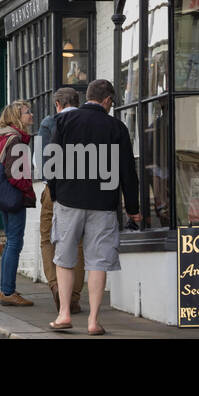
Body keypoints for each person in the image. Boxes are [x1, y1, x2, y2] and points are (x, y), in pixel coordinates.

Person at [49, 78, 140, 335]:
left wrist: (56, 193)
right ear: (108, 100)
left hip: (69, 200)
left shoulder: (64, 121)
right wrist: (132, 207)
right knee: (98, 261)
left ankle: (64, 313)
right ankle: (93, 321)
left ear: (88, 96)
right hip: (103, 204)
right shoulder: (116, 127)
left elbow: (52, 161)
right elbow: (127, 172)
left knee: (65, 257)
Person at [38, 86, 85, 313]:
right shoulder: (88, 120)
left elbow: (43, 160)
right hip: (82, 188)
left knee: (48, 239)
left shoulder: (49, 122)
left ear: (58, 104)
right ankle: (73, 297)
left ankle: (57, 287)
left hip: (54, 188)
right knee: (77, 243)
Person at [0, 99, 36, 306]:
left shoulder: (5, 137)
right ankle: (8, 291)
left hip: (4, 196)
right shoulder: (16, 140)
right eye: (27, 112)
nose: (31, 115)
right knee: (14, 242)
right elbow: (15, 174)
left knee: (11, 242)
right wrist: (28, 189)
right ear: (17, 117)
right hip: (14, 196)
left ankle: (6, 289)